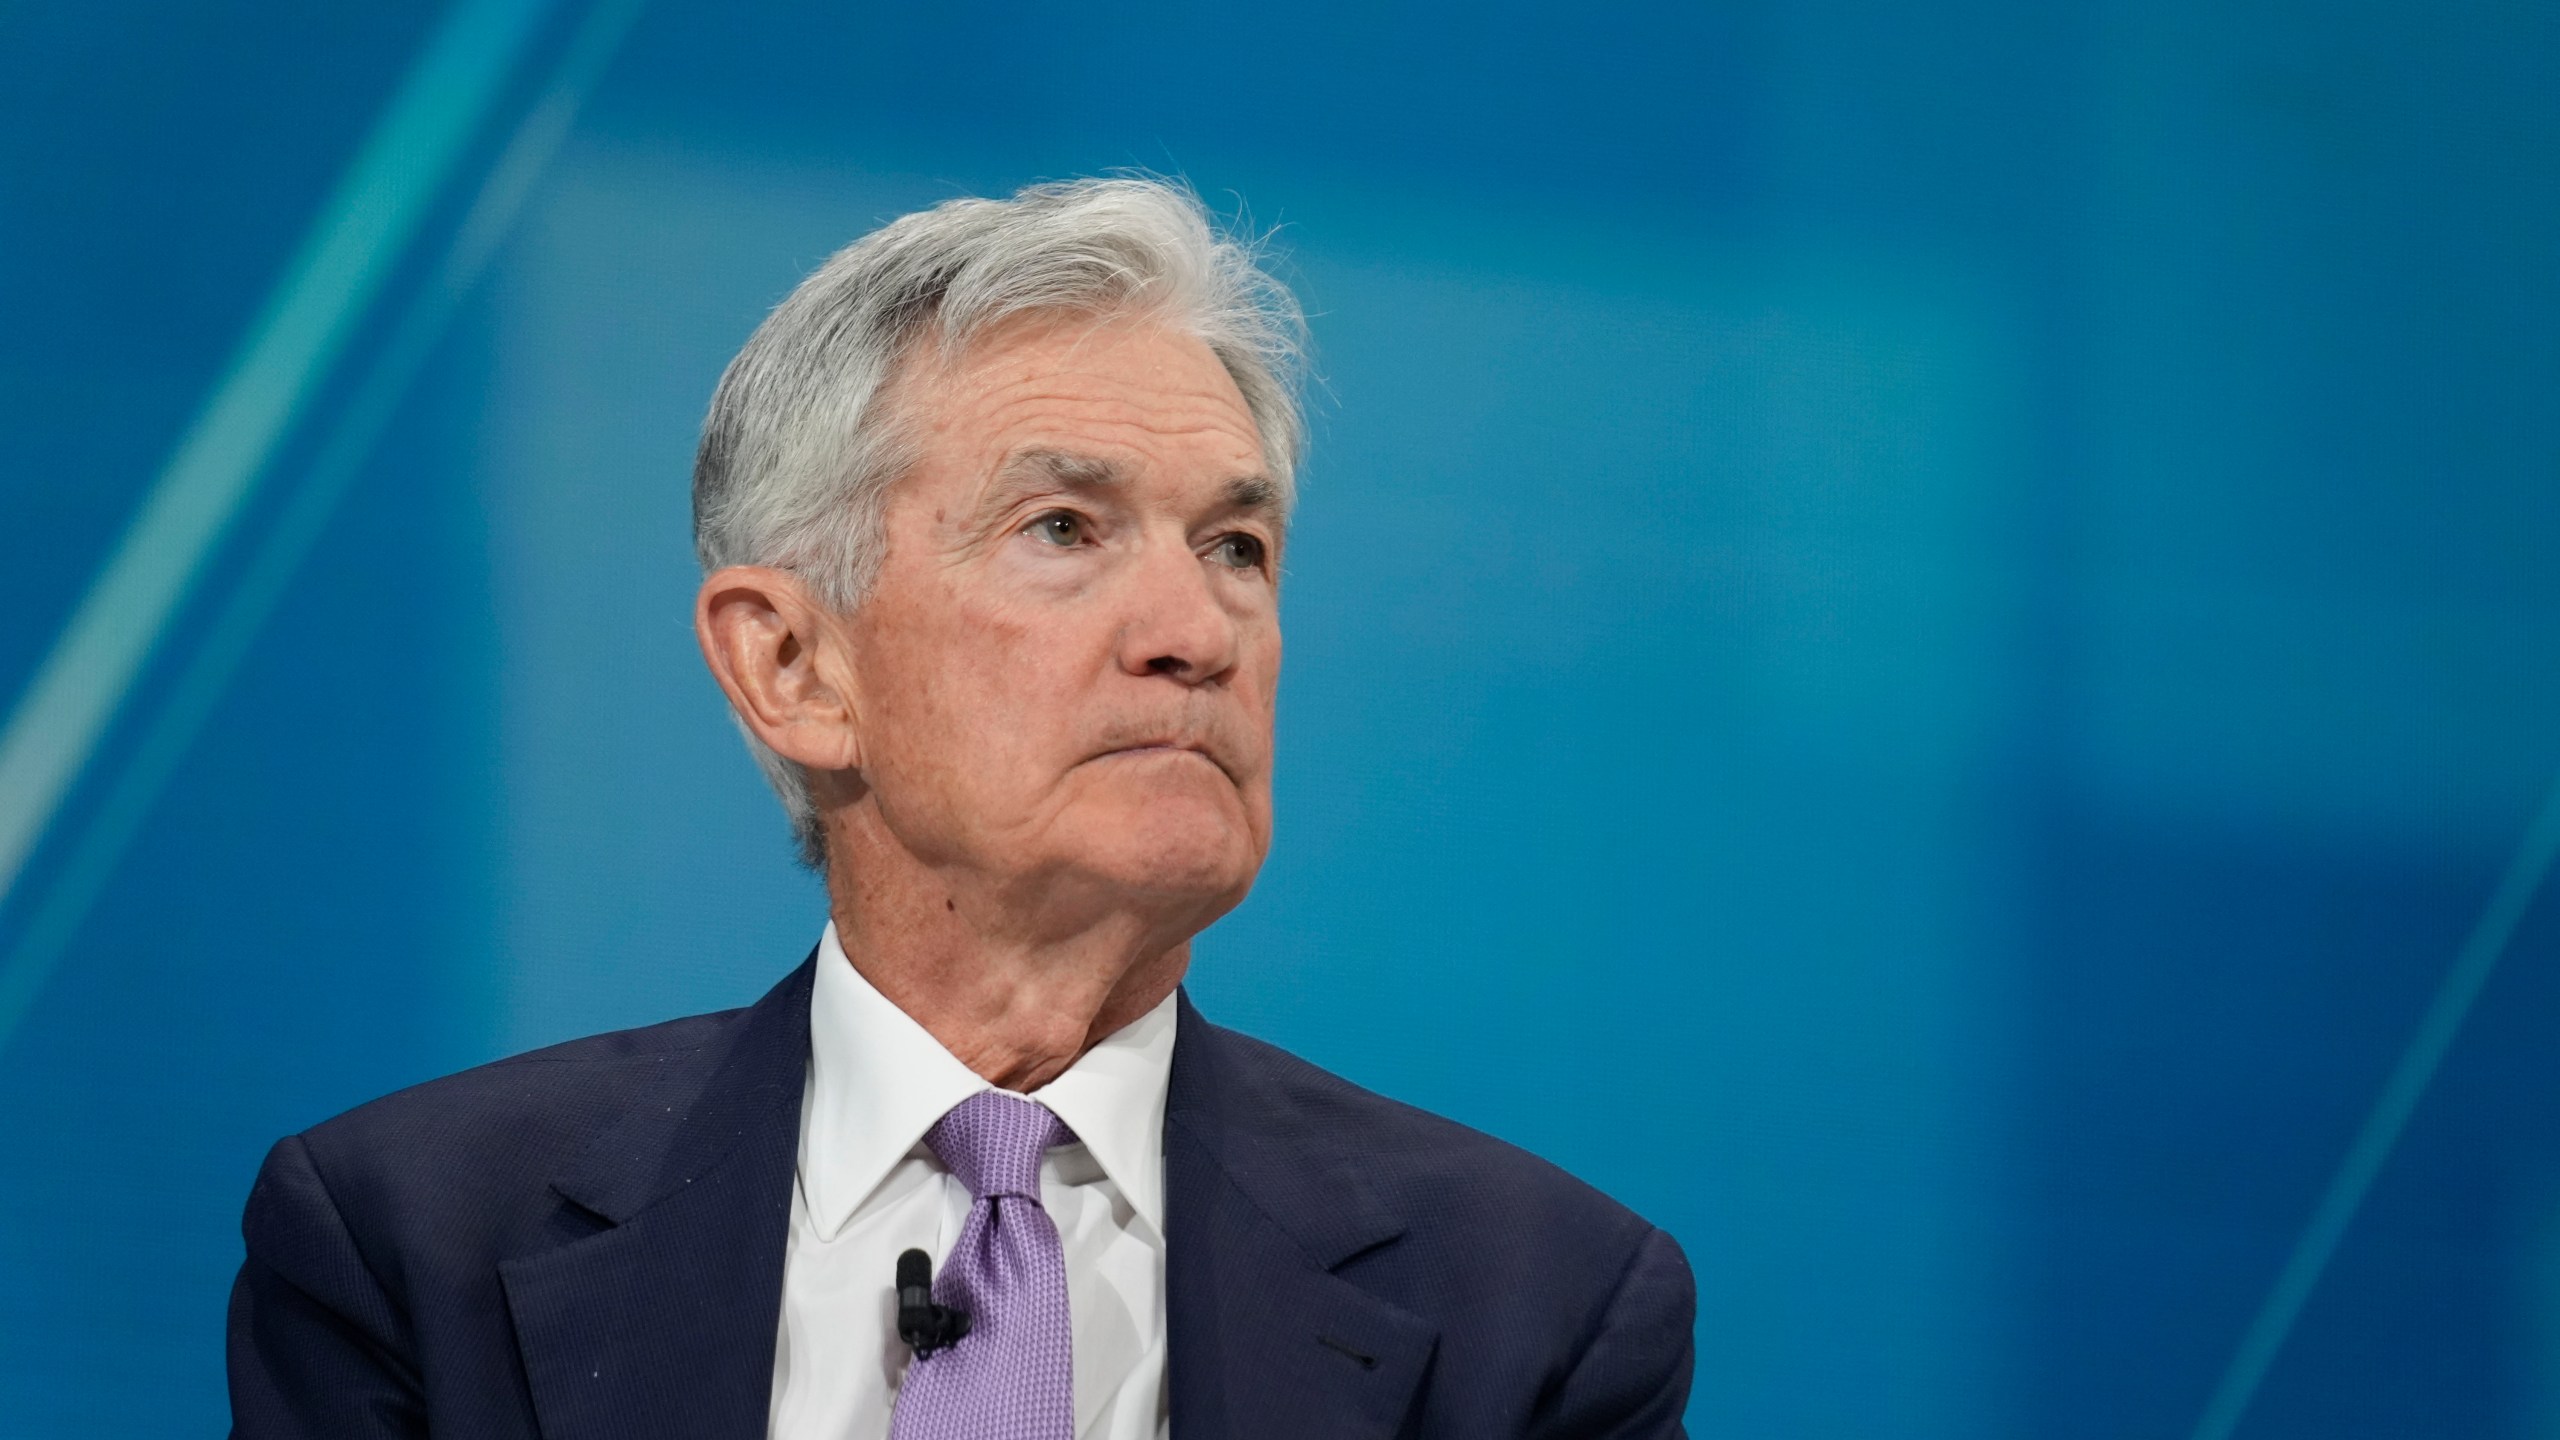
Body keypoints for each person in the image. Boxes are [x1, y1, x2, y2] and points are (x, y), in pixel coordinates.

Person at [227, 177, 1695, 1440]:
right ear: (795, 664)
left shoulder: (1537, 1307)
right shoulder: (410, 1245)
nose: (1195, 630)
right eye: (1065, 527)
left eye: (1237, 546)